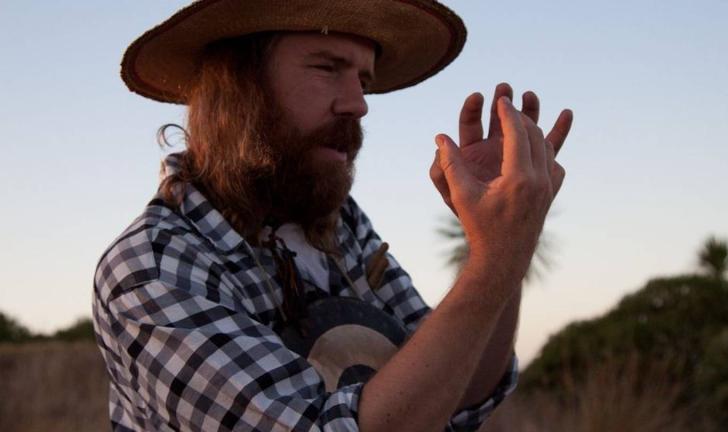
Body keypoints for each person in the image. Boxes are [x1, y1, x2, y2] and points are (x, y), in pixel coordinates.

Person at [93, 1, 573, 431]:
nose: (358, 104)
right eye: (327, 68)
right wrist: (494, 262)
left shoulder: (341, 225)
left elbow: (455, 393)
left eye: (363, 80)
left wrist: (505, 240)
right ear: (238, 88)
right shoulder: (154, 269)